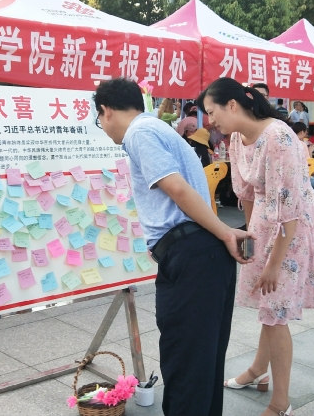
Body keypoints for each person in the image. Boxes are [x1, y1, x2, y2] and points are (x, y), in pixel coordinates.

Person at [93, 77, 252, 416]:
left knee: (186, 366)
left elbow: (176, 189)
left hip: (191, 256)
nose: (102, 127)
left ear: (106, 111)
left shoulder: (139, 133)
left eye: (99, 119)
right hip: (204, 254)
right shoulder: (158, 129)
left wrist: (226, 232)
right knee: (204, 364)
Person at [198, 78, 314, 416]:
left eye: (212, 112)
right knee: (269, 308)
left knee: (275, 311)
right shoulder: (237, 138)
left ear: (232, 105)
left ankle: (281, 403)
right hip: (266, 223)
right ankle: (258, 370)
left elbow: (291, 208)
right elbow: (247, 195)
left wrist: (274, 263)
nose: (211, 121)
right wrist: (251, 238)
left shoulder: (278, 136)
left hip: (294, 227)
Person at [292, 122, 314, 198]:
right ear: (302, 132)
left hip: (290, 175)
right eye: (305, 133)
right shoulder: (302, 144)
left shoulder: (288, 143)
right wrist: (310, 152)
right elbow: (310, 164)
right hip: (300, 176)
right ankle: (312, 202)